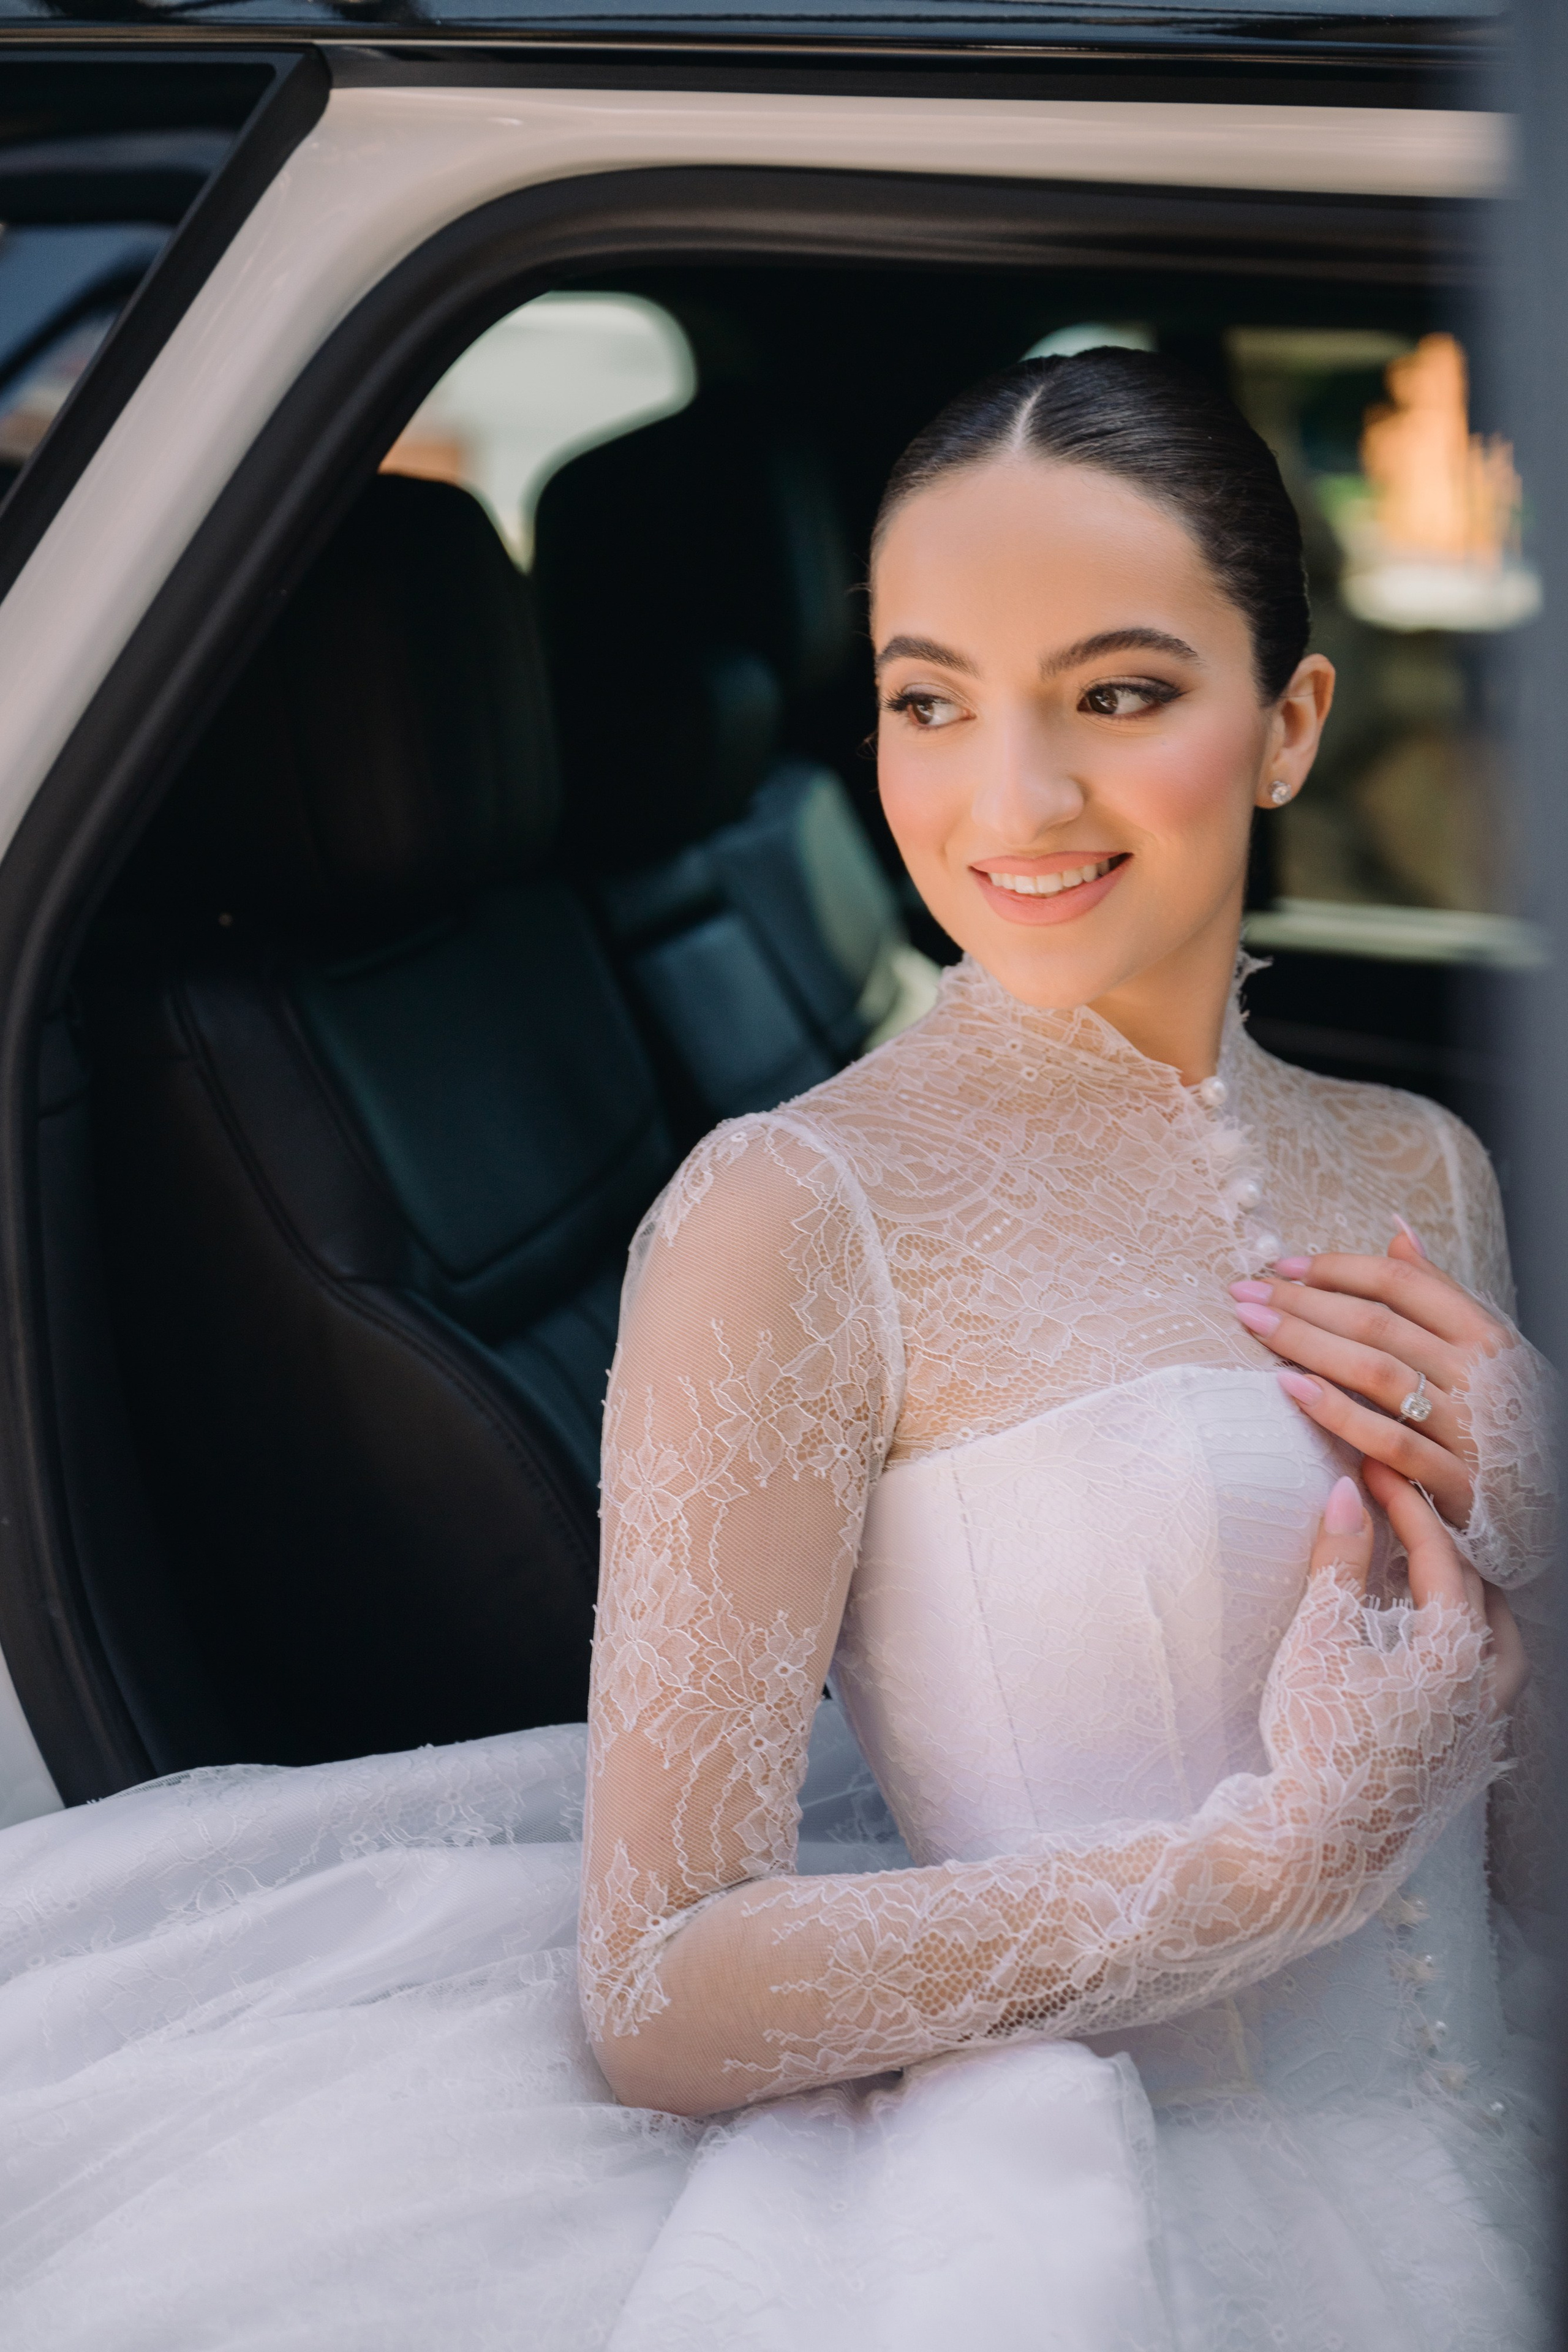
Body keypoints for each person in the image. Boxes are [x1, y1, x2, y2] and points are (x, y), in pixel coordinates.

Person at [0, 352, 1552, 2351]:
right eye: (931, 701)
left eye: (1122, 693)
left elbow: (1520, 1874)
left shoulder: (1427, 1160)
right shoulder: (790, 1217)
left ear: (1289, 725)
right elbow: (659, 1988)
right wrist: (1263, 1877)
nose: (1016, 800)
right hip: (1128, 2209)